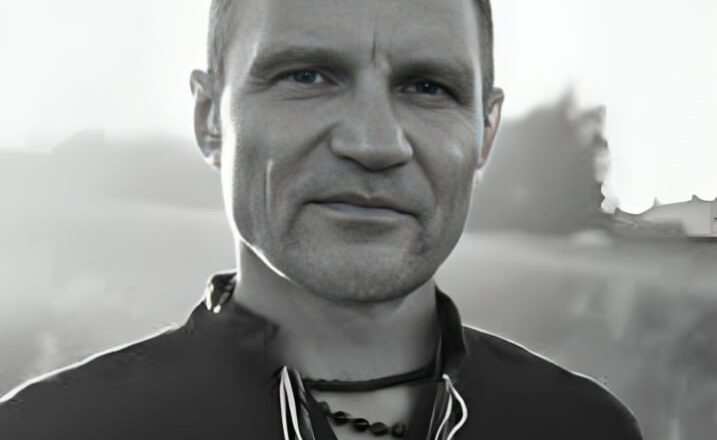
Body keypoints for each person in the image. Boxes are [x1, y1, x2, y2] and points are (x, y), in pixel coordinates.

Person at [0, 0, 643, 439]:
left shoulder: (584, 428)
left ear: (486, 131)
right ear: (210, 117)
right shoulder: (50, 431)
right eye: (307, 76)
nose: (374, 143)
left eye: (428, 87)